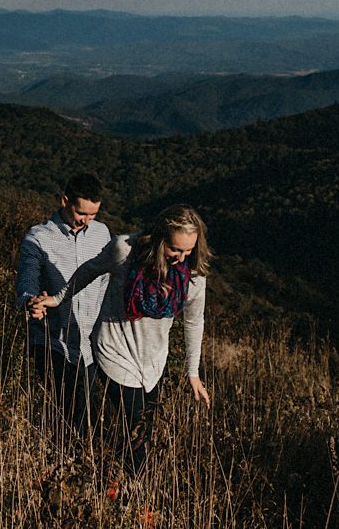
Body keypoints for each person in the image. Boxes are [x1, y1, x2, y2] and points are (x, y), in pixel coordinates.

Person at [61, 204, 211, 477]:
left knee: (142, 430)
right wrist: (59, 297)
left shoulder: (193, 278)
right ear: (159, 238)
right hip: (114, 351)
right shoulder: (124, 251)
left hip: (153, 363)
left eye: (188, 250)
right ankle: (130, 493)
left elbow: (193, 321)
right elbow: (89, 270)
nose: (181, 257)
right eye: (175, 249)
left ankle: (105, 478)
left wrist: (193, 372)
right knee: (138, 431)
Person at [16, 172, 112, 434]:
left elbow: (107, 282)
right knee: (63, 414)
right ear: (65, 201)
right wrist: (31, 302)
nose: (87, 220)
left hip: (91, 344)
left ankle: (77, 466)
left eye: (93, 214)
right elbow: (27, 280)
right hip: (52, 343)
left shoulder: (102, 234)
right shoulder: (38, 238)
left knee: (88, 415)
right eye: (82, 213)